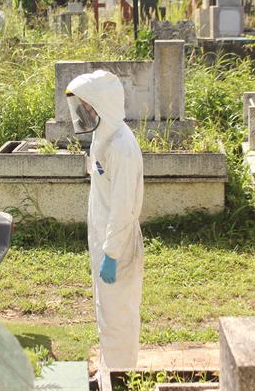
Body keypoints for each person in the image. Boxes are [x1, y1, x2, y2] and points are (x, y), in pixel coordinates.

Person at [65, 70, 144, 381]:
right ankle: (108, 376)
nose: (84, 113)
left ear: (103, 105)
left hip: (118, 247)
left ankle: (122, 380)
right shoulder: (103, 135)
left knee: (119, 317)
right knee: (107, 314)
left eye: (88, 106)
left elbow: (124, 209)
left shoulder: (122, 147)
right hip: (103, 241)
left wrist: (111, 253)